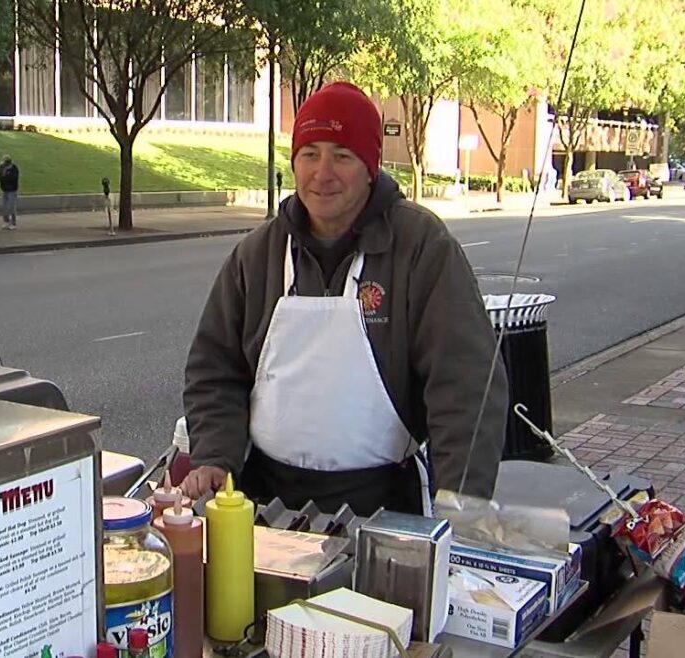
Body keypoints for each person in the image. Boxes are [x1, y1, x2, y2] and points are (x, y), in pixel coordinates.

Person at [180, 82, 508, 516]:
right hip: (262, 500)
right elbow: (214, 368)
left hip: (383, 502)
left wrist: (462, 503)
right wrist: (215, 456)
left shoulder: (420, 247)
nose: (322, 173)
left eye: (342, 155)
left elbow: (466, 386)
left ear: (370, 167)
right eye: (310, 153)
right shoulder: (257, 255)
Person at [0, 155, 20, 230]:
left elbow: (12, 178)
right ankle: (6, 221)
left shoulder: (14, 169)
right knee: (3, 206)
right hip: (4, 190)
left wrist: (3, 176)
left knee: (11, 207)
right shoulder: (2, 168)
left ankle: (13, 223)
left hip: (12, 190)